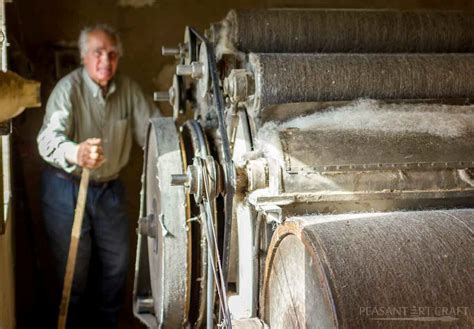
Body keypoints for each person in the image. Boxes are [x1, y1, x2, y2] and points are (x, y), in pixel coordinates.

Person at [37, 24, 157, 328]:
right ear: (83, 56)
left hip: (109, 189)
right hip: (66, 189)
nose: (106, 60)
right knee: (73, 273)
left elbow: (155, 133)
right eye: (98, 52)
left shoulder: (128, 89)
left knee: (116, 267)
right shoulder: (68, 89)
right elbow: (47, 139)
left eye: (112, 53)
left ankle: (106, 324)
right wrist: (75, 152)